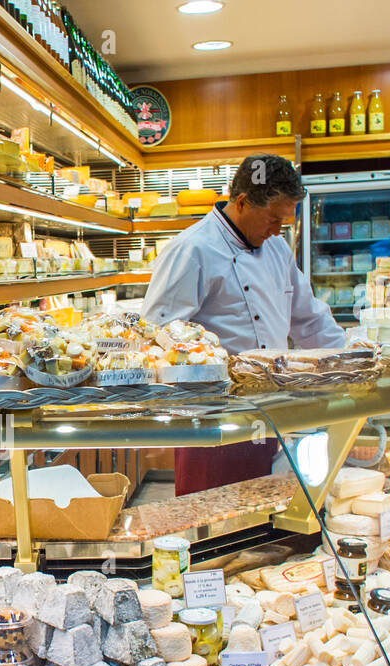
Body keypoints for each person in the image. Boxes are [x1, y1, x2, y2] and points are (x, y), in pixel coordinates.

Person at [142, 154, 345, 494]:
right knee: (210, 521)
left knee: (260, 519)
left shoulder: (277, 249)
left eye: (284, 223)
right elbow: (158, 333)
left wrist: (350, 359)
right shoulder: (192, 249)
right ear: (241, 202)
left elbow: (308, 318)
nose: (277, 231)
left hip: (268, 411)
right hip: (211, 418)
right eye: (272, 219)